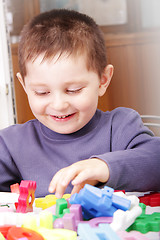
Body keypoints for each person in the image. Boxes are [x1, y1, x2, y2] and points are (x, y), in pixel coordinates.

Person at [0, 9, 160, 198]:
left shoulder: (120, 127)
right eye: (41, 92)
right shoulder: (12, 143)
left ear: (103, 80)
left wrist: (103, 167)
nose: (59, 105)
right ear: (24, 86)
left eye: (73, 90)